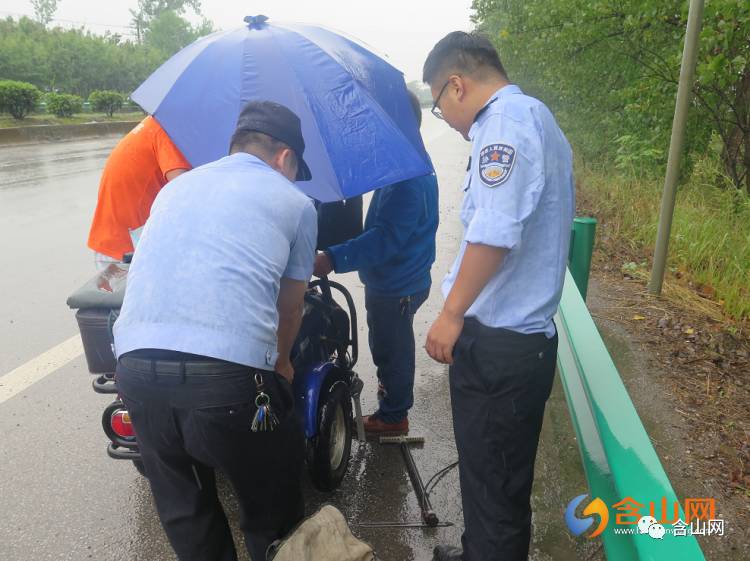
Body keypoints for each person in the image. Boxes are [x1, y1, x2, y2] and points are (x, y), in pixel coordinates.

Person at [112, 101, 317, 561]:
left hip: (135, 369)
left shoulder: (174, 191)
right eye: (295, 167)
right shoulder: (296, 203)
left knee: (185, 507)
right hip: (229, 379)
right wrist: (281, 365)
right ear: (285, 157)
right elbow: (291, 307)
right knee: (272, 507)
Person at [421, 32, 575, 561]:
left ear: (456, 86)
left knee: (497, 494)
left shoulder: (503, 126)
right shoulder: (537, 116)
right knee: (494, 482)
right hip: (519, 344)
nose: (446, 118)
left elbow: (493, 231)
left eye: (439, 106)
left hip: (501, 346)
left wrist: (450, 312)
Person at [313, 91, 439, 435]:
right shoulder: (408, 161)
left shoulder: (406, 179)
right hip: (399, 276)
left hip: (398, 283)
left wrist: (332, 257)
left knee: (392, 348)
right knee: (387, 343)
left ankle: (394, 415)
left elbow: (386, 237)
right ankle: (391, 397)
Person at [87, 115, 191, 268]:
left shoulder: (154, 125)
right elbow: (185, 192)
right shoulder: (166, 132)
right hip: (125, 251)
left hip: (114, 241)